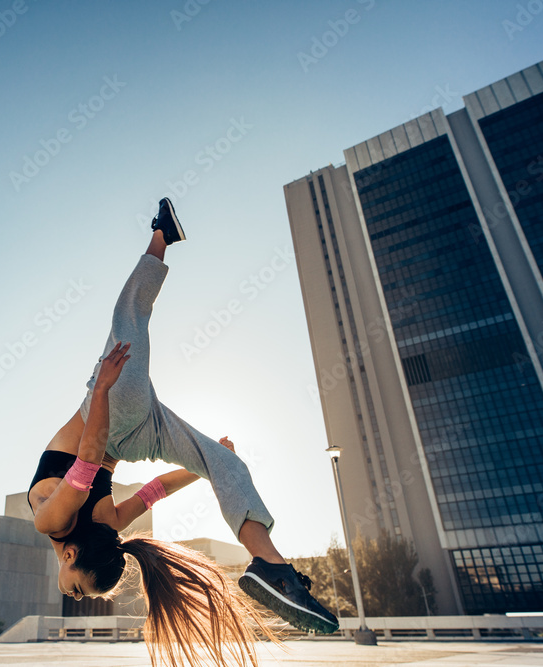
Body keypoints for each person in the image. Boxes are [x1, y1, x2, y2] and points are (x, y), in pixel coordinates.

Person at [27, 198, 338, 666]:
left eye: (77, 591)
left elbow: (135, 482)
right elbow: (103, 465)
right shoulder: (57, 526)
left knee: (222, 461)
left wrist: (204, 461)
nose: (74, 591)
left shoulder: (83, 524)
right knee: (129, 317)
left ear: (72, 556)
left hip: (130, 428)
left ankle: (272, 567)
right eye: (79, 589)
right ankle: (161, 233)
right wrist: (106, 392)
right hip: (115, 416)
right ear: (71, 554)